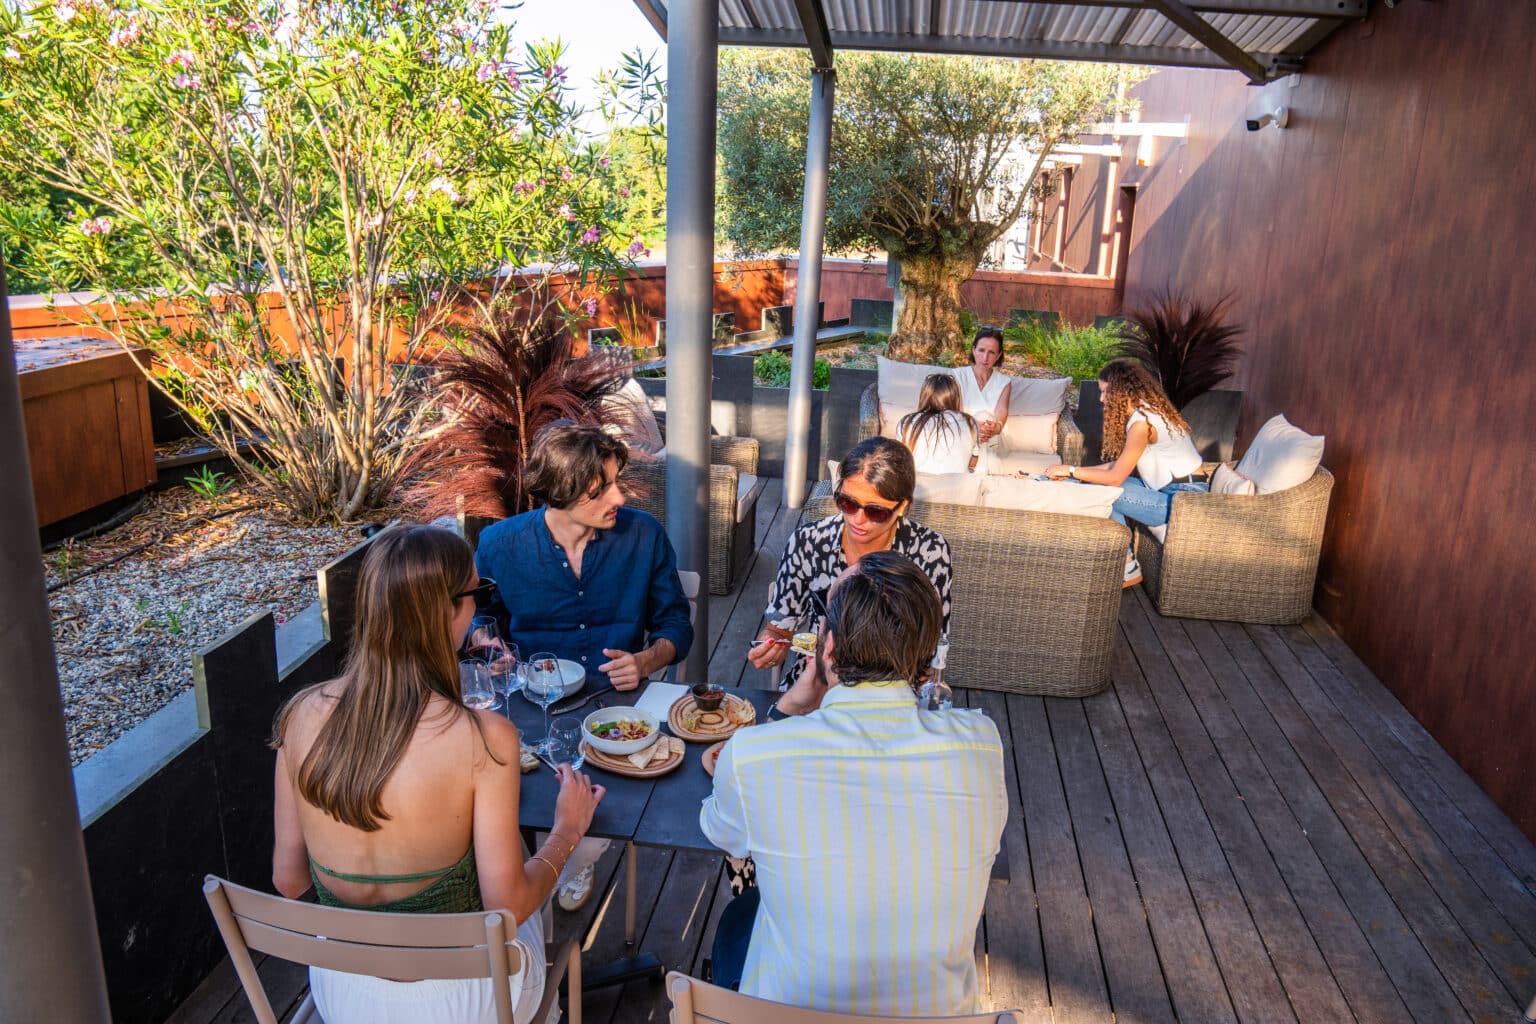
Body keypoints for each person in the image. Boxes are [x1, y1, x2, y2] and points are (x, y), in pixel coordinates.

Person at [271, 525, 604, 1024]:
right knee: (531, 882)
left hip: (345, 993)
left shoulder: (299, 716)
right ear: (448, 611)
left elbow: (289, 880)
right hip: (464, 1001)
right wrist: (566, 834)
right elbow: (508, 906)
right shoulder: (485, 737)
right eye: (477, 593)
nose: (478, 608)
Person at [703, 552, 1007, 1015]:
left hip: (789, 1014)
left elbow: (723, 831)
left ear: (826, 649)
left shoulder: (753, 755)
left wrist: (785, 709)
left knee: (742, 915)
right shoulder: (983, 745)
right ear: (926, 667)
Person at [475, 422, 693, 912]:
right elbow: (479, 619)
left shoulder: (644, 535)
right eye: (602, 489)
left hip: (618, 711)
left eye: (617, 481)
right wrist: (486, 643)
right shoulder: (499, 544)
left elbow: (677, 624)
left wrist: (647, 659)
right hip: (529, 710)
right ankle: (535, 869)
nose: (619, 496)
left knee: (617, 805)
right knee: (499, 806)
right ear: (560, 493)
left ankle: (570, 859)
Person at [747, 437, 951, 688]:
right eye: (848, 503)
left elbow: (931, 646)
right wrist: (769, 644)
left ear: (902, 507)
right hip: (815, 683)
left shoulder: (930, 551)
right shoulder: (809, 540)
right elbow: (779, 628)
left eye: (876, 511)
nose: (857, 519)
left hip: (893, 691)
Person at [1044, 358, 1206, 587]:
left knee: (1104, 491)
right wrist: (1072, 474)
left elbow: (1115, 478)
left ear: (1121, 391)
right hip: (1170, 493)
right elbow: (1115, 467)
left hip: (1183, 502)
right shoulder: (1146, 414)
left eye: (1105, 392)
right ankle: (1124, 562)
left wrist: (1072, 469)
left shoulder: (1143, 424)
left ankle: (1127, 565)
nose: (1101, 399)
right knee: (1096, 485)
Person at [953, 326, 1012, 462]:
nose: (985, 357)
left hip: (992, 437)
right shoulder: (958, 376)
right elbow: (956, 411)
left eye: (991, 352)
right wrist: (974, 428)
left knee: (987, 418)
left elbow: (1001, 412)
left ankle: (975, 462)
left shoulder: (1004, 382)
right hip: (964, 431)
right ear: (973, 350)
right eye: (981, 350)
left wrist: (994, 428)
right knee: (978, 420)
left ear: (998, 355)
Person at [898, 373, 977, 474]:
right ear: (955, 398)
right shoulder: (970, 422)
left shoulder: (906, 422)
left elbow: (902, 461)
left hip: (919, 487)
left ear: (924, 396)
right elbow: (973, 462)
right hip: (956, 487)